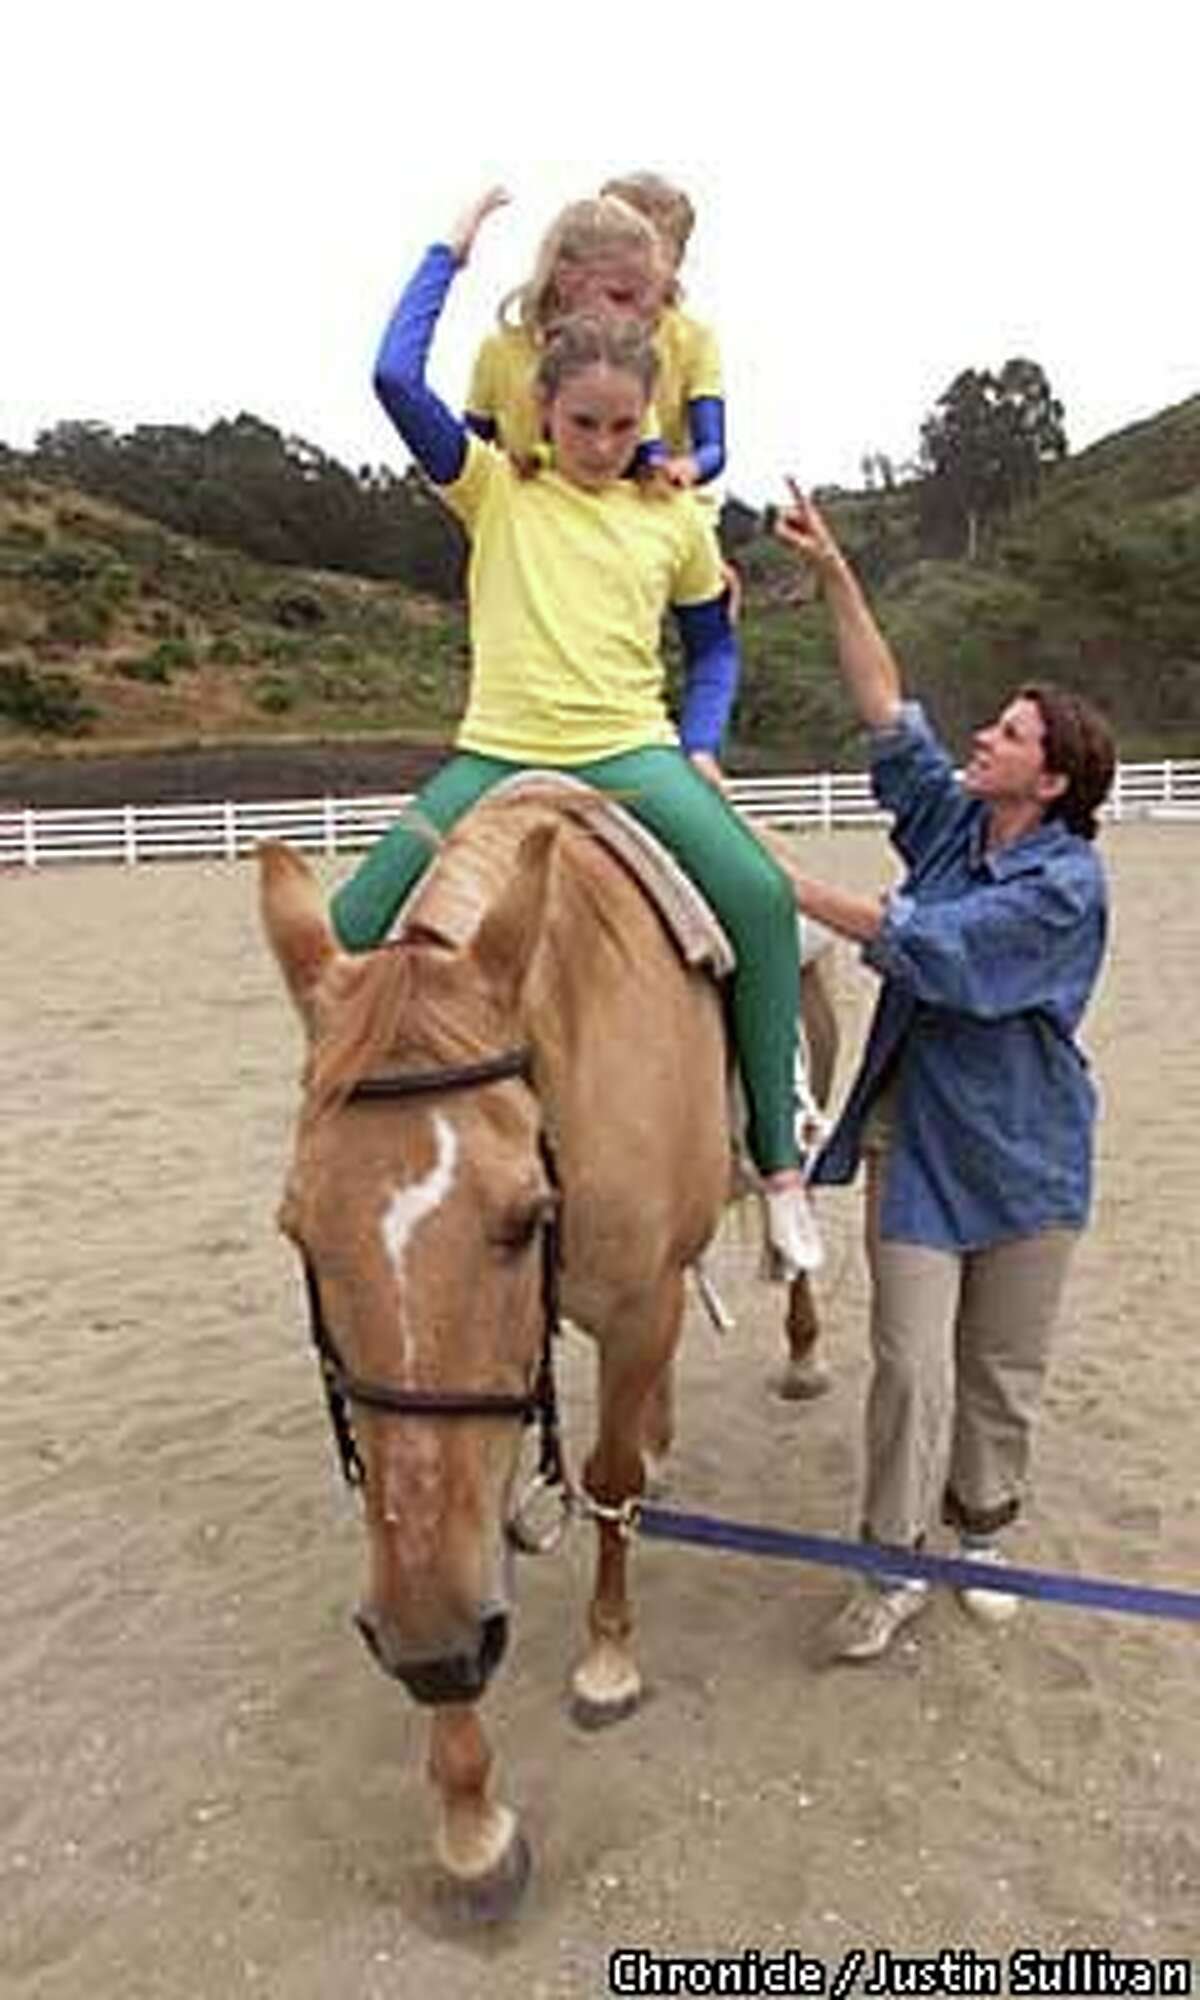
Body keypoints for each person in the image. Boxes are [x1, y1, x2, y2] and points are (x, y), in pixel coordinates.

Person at [329, 190, 821, 1278]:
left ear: (650, 410)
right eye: (582, 421)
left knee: (763, 897)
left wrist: (698, 737)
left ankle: (780, 1168)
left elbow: (717, 646)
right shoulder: (494, 488)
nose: (603, 443)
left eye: (622, 424)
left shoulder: (674, 520)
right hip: (495, 755)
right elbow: (392, 380)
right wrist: (446, 251)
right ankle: (354, 1138)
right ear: (544, 407)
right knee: (348, 925)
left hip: (630, 758)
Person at [767, 485, 1115, 1659]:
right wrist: (836, 575)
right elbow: (887, 707)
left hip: (1029, 1151)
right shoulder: (957, 826)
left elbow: (939, 949)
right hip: (914, 1139)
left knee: (999, 1370)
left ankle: (983, 1533)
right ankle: (892, 1561)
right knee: (910, 1366)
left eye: (1009, 735)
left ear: (1053, 778)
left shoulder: (1067, 887)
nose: (982, 737)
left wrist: (782, 882)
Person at [464, 192, 666, 472]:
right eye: (619, 297)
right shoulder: (500, 352)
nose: (631, 318)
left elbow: (650, 457)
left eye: (643, 302)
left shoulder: (625, 367)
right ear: (565, 279)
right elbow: (468, 451)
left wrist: (668, 471)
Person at [599, 171, 726, 506]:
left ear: (676, 261)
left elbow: (713, 449)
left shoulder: (695, 340)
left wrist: (688, 467)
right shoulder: (570, 332)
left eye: (647, 251)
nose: (629, 264)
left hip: (665, 503)